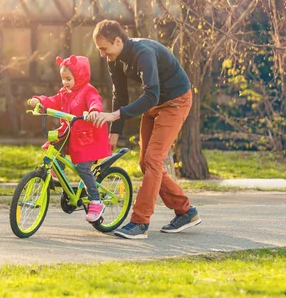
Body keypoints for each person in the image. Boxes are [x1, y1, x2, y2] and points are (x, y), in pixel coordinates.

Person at [89, 19, 201, 239]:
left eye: (104, 48)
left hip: (175, 101)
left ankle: (140, 223)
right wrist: (114, 132)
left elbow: (151, 94)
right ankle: (186, 211)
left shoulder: (143, 53)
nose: (102, 54)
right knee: (145, 162)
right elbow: (119, 95)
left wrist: (115, 115)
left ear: (118, 41)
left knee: (153, 160)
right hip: (154, 103)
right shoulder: (115, 59)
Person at [28, 55, 111, 222]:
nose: (65, 82)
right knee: (56, 143)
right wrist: (40, 101)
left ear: (79, 76)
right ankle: (57, 172)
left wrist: (94, 110)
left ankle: (96, 201)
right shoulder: (64, 93)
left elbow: (95, 100)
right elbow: (53, 101)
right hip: (71, 134)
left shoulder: (88, 90)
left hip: (89, 139)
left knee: (83, 169)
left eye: (68, 78)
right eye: (63, 79)